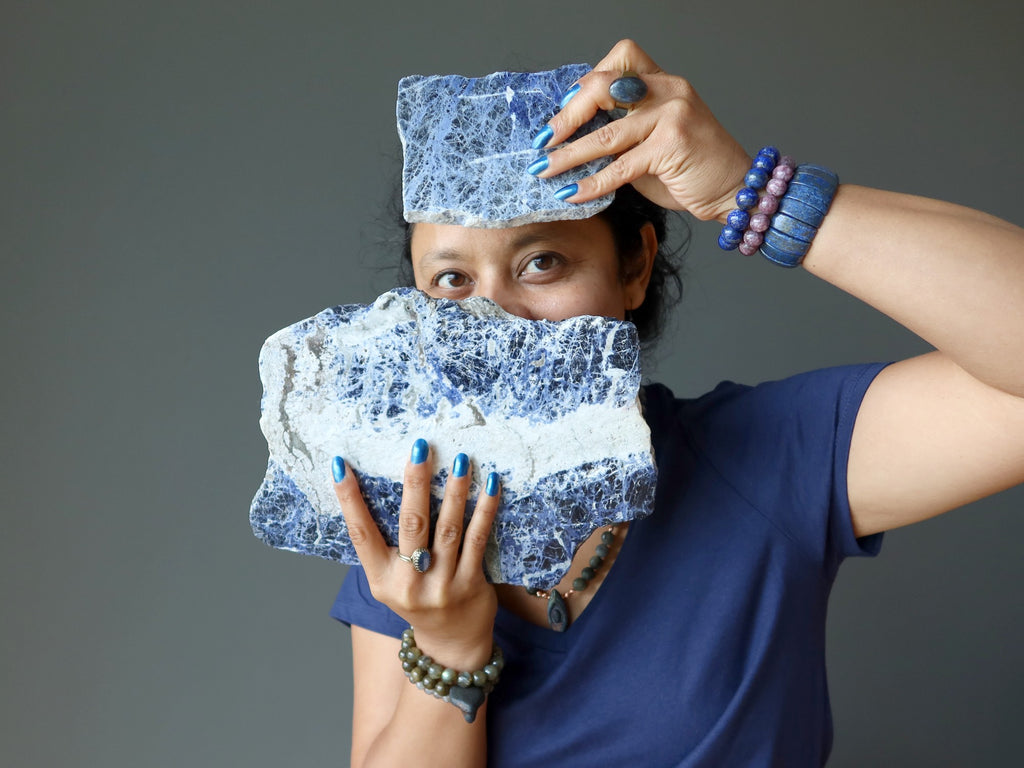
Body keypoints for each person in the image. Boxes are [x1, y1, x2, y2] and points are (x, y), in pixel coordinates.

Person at [327, 40, 1024, 767]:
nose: (495, 316)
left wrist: (750, 195)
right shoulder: (407, 525)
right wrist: (448, 647)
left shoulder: (765, 458)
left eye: (542, 263)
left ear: (634, 268)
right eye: (451, 283)